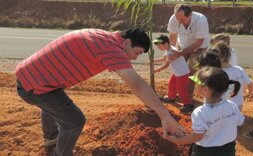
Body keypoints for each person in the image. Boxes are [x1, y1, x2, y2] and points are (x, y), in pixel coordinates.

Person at [15, 28, 184, 156]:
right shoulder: (112, 50)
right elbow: (137, 84)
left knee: (55, 106)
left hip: (34, 76)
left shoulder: (103, 36)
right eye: (136, 52)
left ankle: (51, 141)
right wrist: (164, 115)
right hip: (34, 86)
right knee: (74, 121)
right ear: (126, 43)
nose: (134, 57)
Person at [167, 66, 245, 156]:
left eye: (197, 83)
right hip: (228, 149)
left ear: (206, 89)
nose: (195, 86)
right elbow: (240, 121)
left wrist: (177, 140)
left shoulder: (200, 112)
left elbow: (197, 136)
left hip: (205, 151)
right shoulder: (232, 106)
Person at [167, 4, 210, 99]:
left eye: (182, 19)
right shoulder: (174, 19)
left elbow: (199, 42)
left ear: (190, 14)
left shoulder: (201, 20)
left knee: (192, 68)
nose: (179, 21)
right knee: (177, 67)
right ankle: (173, 94)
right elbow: (173, 36)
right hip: (182, 44)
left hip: (200, 47)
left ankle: (188, 95)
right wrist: (170, 52)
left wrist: (180, 53)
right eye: (177, 18)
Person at [152, 34, 194, 112]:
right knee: (171, 84)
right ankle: (171, 98)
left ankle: (188, 104)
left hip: (182, 74)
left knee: (181, 89)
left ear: (166, 44)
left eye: (160, 46)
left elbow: (166, 65)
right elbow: (164, 58)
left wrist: (155, 70)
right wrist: (152, 61)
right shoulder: (169, 49)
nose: (159, 48)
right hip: (177, 72)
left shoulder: (171, 52)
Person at [213, 41, 253, 110]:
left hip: (222, 107)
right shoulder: (239, 69)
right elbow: (250, 84)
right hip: (238, 105)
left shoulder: (217, 73)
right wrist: (250, 94)